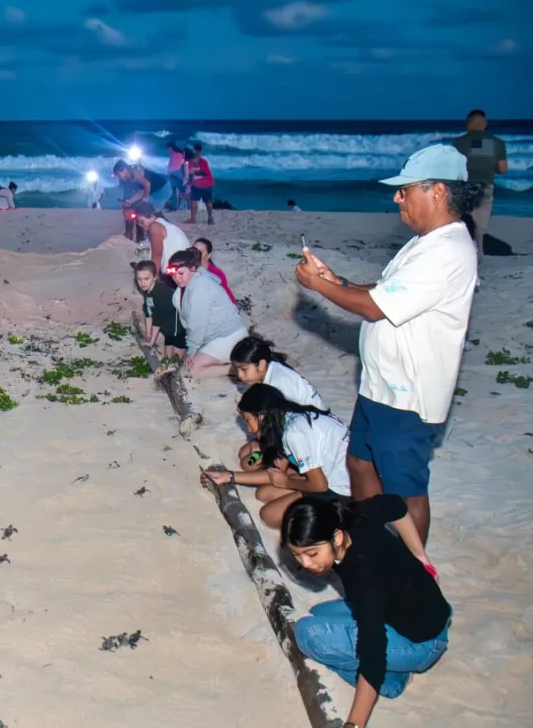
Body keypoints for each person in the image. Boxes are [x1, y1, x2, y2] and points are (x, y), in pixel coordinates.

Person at [294, 144, 481, 544]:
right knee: (360, 463)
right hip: (380, 384)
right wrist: (335, 279)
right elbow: (384, 291)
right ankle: (373, 544)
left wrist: (320, 287)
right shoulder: (425, 241)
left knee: (405, 489)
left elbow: (375, 308)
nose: (397, 196)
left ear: (437, 192)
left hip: (408, 395)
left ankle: (413, 572)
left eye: (405, 189)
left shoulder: (446, 251)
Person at [282, 495, 450, 727]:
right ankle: (397, 665)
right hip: (422, 610)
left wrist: (354, 724)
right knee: (318, 613)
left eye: (311, 553)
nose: (306, 564)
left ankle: (393, 682)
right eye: (296, 554)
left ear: (337, 537)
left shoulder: (363, 578)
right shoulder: (352, 514)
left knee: (308, 635)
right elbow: (396, 506)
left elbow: (373, 655)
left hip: (422, 641)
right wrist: (421, 557)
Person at [202, 384, 351, 527]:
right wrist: (228, 476)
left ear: (261, 416)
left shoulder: (294, 433)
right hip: (331, 474)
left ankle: (334, 521)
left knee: (269, 515)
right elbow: (273, 474)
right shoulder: (289, 418)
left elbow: (319, 485)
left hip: (342, 490)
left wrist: (287, 482)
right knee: (263, 493)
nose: (248, 428)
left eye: (248, 421)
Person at [231, 335, 326, 471]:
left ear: (262, 365)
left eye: (244, 369)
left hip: (305, 438)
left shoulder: (280, 383)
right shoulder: (272, 369)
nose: (239, 375)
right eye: (237, 369)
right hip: (289, 431)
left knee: (248, 464)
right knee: (245, 452)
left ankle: (289, 468)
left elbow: (283, 426)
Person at [167, 248, 248, 377]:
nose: (177, 278)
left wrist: (192, 351)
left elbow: (197, 323)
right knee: (187, 365)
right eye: (173, 275)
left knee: (189, 371)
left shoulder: (201, 285)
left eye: (181, 273)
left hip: (227, 337)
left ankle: (237, 369)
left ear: (193, 268)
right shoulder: (186, 285)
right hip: (210, 338)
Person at [452, 109, 508, 264]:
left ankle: (461, 254)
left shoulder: (458, 143)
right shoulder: (497, 143)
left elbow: (452, 168)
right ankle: (478, 254)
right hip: (485, 186)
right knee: (479, 226)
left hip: (463, 187)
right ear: (484, 124)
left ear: (468, 124)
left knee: (463, 224)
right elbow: (503, 169)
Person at [134, 260, 186, 360]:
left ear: (155, 277)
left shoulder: (161, 292)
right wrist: (148, 337)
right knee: (167, 360)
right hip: (168, 332)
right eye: (139, 279)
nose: (142, 283)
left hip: (178, 331)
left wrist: (151, 342)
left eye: (146, 279)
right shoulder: (148, 292)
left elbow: (157, 320)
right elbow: (148, 314)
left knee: (175, 361)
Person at [132, 202, 190, 269]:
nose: (141, 225)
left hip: (178, 268)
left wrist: (153, 276)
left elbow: (157, 255)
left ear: (152, 216)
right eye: (138, 223)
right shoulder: (163, 223)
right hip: (183, 265)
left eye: (142, 222)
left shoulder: (154, 227)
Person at [113, 159, 153, 242]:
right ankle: (129, 236)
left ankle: (140, 239)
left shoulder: (136, 172)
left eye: (118, 174)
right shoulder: (125, 180)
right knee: (129, 212)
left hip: (156, 191)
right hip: (141, 194)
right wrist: (126, 202)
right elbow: (128, 193)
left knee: (140, 214)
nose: (118, 177)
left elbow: (146, 186)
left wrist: (144, 199)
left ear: (123, 170)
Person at [192, 237, 236, 304]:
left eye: (200, 252)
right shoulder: (188, 268)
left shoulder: (215, 275)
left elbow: (226, 299)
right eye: (194, 250)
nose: (196, 254)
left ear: (209, 255)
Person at [187, 142, 215, 225]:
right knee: (197, 201)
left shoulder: (202, 162)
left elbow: (202, 173)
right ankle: (195, 218)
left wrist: (192, 177)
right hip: (200, 184)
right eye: (197, 151)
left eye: (197, 151)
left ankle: (207, 218)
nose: (197, 153)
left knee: (204, 202)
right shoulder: (199, 161)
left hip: (205, 184)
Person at [166, 142, 187, 211]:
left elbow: (172, 166)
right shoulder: (181, 154)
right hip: (180, 174)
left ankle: (174, 207)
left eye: (168, 148)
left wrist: (169, 173)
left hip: (173, 174)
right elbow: (182, 164)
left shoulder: (173, 155)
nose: (168, 150)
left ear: (171, 148)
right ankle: (188, 206)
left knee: (173, 191)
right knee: (182, 190)